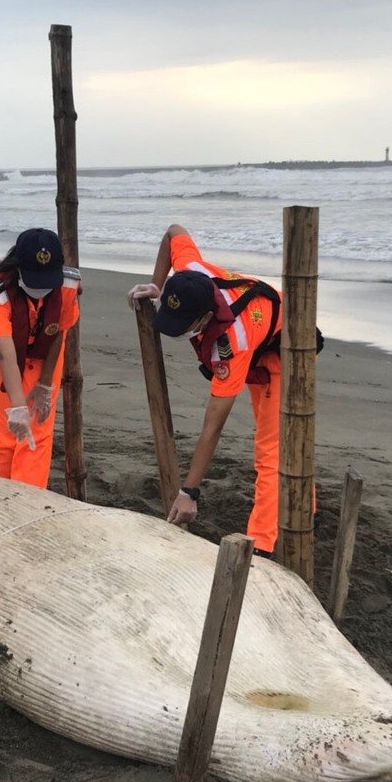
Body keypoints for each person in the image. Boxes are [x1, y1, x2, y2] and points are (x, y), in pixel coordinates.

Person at [129, 224, 315, 558]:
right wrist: (156, 284)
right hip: (262, 332)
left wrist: (189, 492)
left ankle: (264, 544)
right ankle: (305, 504)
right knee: (274, 442)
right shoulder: (188, 271)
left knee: (271, 449)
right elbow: (173, 232)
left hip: (287, 345)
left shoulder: (233, 344)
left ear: (204, 319)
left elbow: (212, 427)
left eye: (182, 326)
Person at [0, 228, 81, 488]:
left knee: (37, 425)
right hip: (2, 353)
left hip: (44, 351)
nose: (41, 289)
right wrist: (17, 406)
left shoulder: (67, 286)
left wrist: (45, 384)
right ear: (18, 268)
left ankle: (29, 495)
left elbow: (59, 332)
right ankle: (8, 490)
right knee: (10, 427)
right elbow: (5, 354)